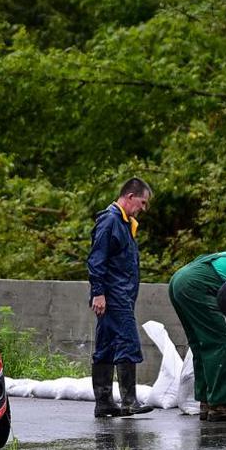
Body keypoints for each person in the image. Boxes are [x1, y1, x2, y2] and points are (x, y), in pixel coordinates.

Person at [87, 178, 155, 417]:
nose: (143, 209)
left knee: (106, 344)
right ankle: (129, 401)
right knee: (128, 342)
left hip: (118, 295)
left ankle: (104, 402)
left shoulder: (124, 223)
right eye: (142, 202)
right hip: (114, 296)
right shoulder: (111, 221)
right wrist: (98, 292)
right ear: (129, 197)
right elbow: (97, 259)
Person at [167, 250, 226, 421]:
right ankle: (222, 405)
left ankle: (206, 401)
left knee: (201, 344)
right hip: (194, 282)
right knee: (220, 341)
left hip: (180, 279)